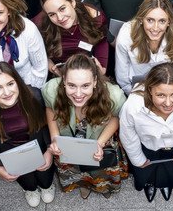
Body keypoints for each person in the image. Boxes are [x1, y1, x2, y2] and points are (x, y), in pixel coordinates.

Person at [119, 62, 173, 202]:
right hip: (147, 146)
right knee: (145, 171)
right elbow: (128, 136)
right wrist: (138, 159)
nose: (167, 103)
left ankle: (165, 183)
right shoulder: (133, 105)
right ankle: (149, 183)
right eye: (160, 95)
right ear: (150, 91)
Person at [44, 53, 128, 198]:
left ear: (95, 81)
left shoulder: (114, 95)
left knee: (99, 166)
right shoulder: (51, 89)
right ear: (63, 80)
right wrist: (55, 137)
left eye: (85, 86)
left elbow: (116, 118)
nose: (78, 94)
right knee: (74, 166)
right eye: (71, 85)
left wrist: (100, 143)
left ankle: (101, 185)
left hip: (100, 137)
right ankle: (84, 183)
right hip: (68, 140)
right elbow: (50, 108)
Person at [0, 63, 55, 207]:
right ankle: (30, 190)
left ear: (17, 82)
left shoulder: (35, 96)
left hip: (37, 147)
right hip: (12, 154)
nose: (7, 92)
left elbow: (44, 125)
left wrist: (49, 150)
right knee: (28, 183)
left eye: (10, 84)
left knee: (45, 179)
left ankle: (47, 186)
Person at [114, 0, 173, 92]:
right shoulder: (126, 34)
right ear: (141, 19)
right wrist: (135, 95)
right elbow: (122, 77)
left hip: (168, 89)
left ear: (169, 22)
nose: (155, 28)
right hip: (137, 90)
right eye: (150, 20)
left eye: (162, 21)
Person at [36, 0, 108, 75]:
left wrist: (101, 69)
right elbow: (40, 54)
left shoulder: (94, 19)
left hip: (89, 72)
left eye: (62, 9)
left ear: (72, 2)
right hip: (60, 74)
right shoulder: (40, 25)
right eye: (52, 14)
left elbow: (101, 43)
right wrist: (54, 70)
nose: (60, 18)